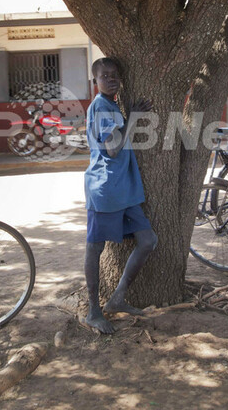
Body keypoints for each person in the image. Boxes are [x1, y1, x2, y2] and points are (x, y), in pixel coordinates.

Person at [82, 57, 158, 335]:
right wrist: (134, 116)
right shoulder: (102, 106)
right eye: (105, 76)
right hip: (106, 188)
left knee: (148, 240)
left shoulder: (111, 104)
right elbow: (113, 149)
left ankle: (117, 298)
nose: (112, 79)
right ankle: (93, 312)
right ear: (95, 81)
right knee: (95, 248)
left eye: (115, 74)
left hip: (124, 189)